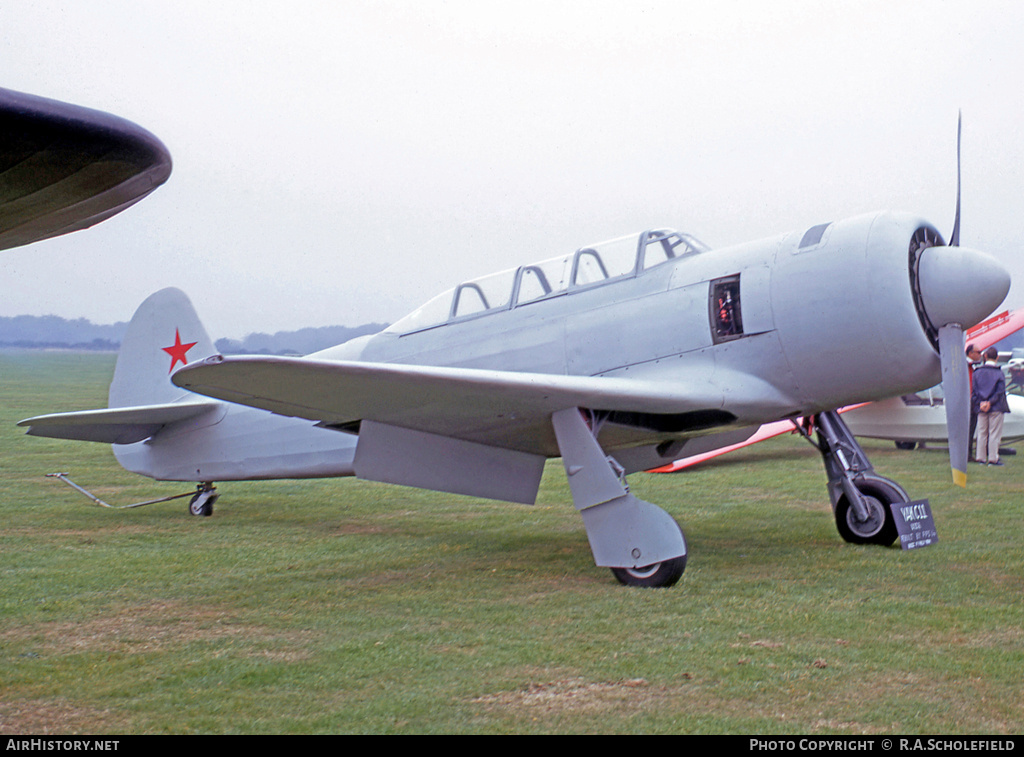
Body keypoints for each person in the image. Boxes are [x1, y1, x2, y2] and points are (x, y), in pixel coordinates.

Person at [972, 347, 1010, 466]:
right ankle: (993, 459)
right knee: (994, 434)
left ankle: (981, 458)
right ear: (997, 358)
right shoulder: (999, 373)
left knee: (982, 433)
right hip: (996, 407)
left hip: (981, 407)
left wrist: (981, 403)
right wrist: (990, 402)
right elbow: (1000, 392)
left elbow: (975, 391)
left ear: (985, 356)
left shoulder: (977, 372)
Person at [966, 343, 982, 461]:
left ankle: (968, 453)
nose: (980, 355)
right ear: (971, 353)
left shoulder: (972, 366)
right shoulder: (966, 365)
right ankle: (967, 454)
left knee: (971, 428)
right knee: (969, 428)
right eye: (978, 352)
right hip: (968, 400)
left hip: (971, 399)